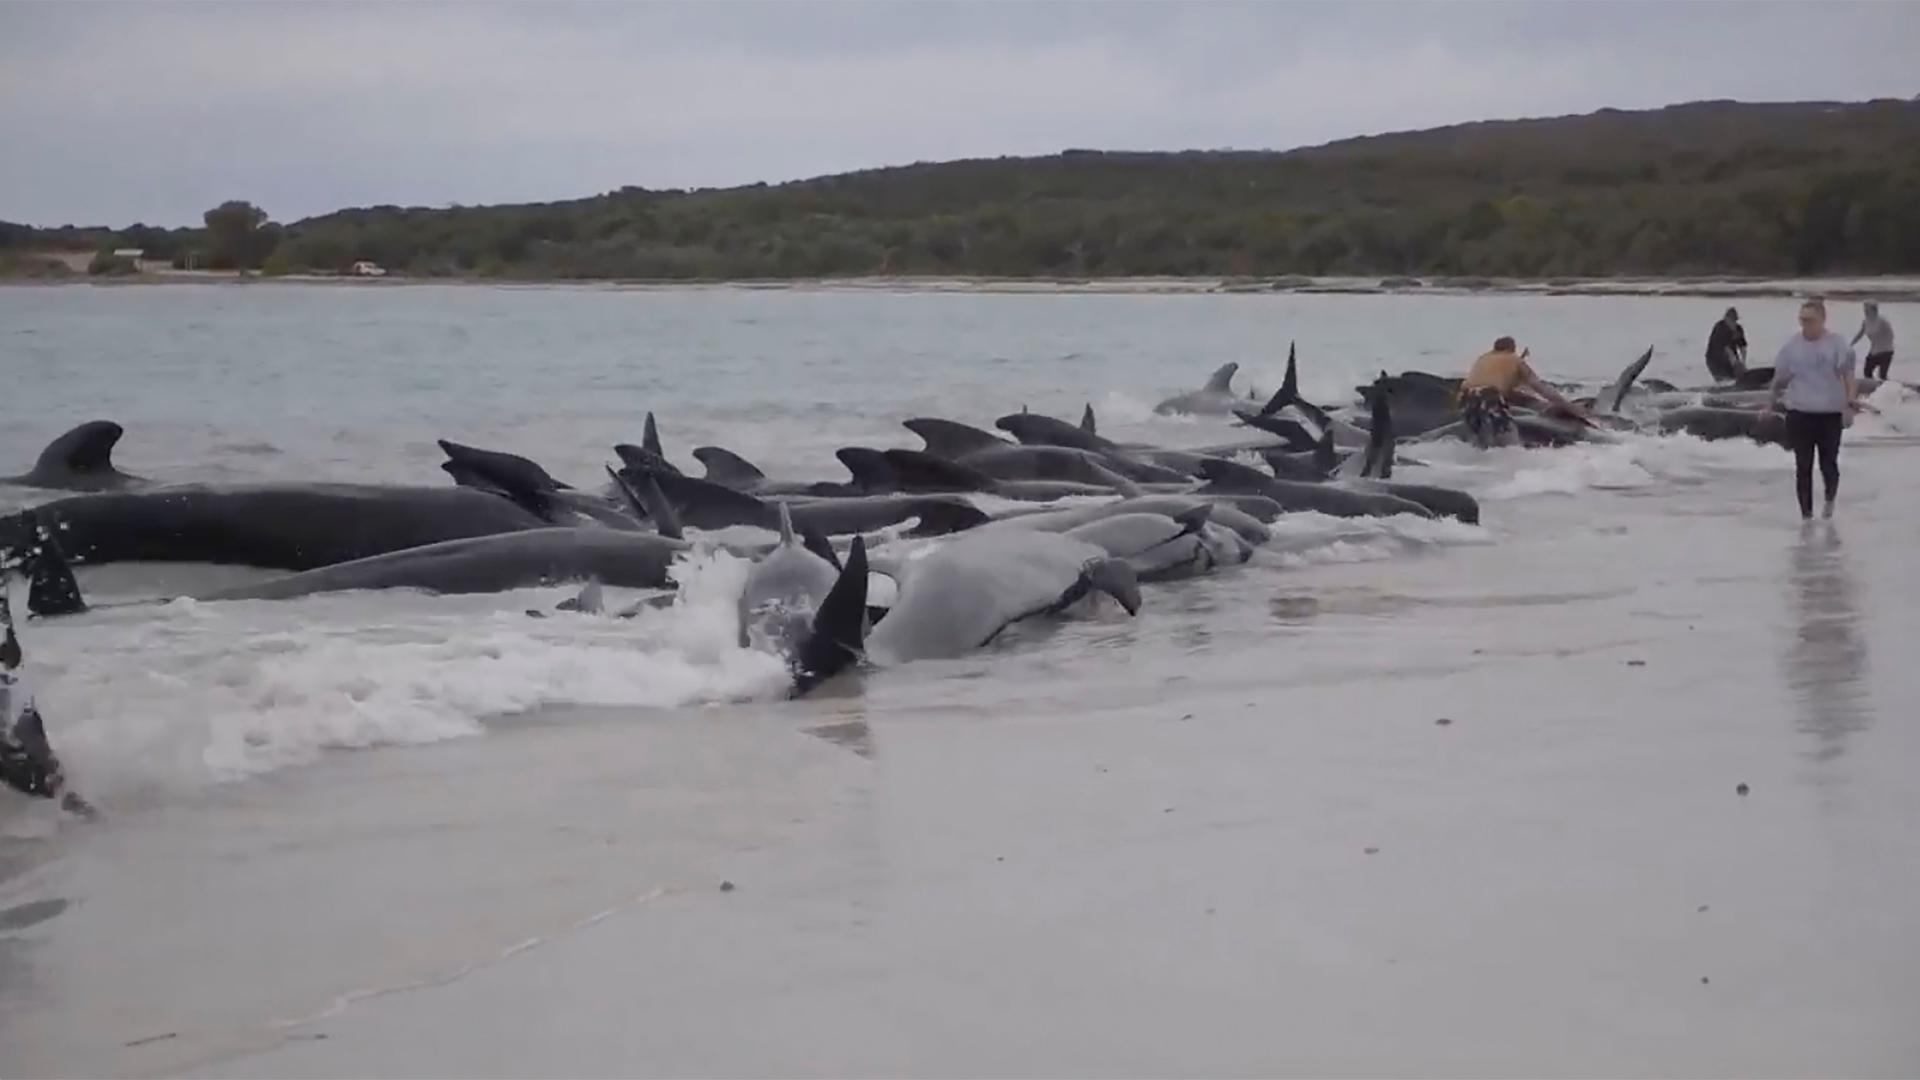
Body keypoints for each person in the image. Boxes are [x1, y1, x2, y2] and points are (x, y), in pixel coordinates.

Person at [1771, 299, 1859, 521]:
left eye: (1810, 320)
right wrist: (1771, 399)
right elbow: (1780, 378)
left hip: (1829, 413)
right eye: (1802, 320)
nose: (1806, 324)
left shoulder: (1837, 344)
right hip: (1800, 412)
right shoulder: (1792, 347)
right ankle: (1806, 517)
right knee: (1803, 466)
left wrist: (1850, 402)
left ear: (1822, 319)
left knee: (1828, 464)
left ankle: (1829, 499)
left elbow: (1849, 376)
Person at [1456, 336, 1588, 448]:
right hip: (1489, 397)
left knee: (1480, 441)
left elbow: (1494, 383)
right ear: (1512, 348)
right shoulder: (1514, 359)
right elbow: (1541, 388)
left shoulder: (1483, 358)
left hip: (1465, 399)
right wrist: (1570, 407)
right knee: (1508, 440)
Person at [1850, 301, 1895, 381]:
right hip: (1874, 351)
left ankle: (1890, 386)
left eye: (1867, 310)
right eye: (1864, 310)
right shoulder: (1866, 321)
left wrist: (1884, 343)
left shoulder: (1882, 321)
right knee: (1867, 372)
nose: (1865, 312)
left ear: (1874, 310)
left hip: (1886, 351)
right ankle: (1873, 386)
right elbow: (1860, 334)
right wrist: (1851, 344)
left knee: (1882, 375)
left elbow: (1891, 335)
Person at [1705, 307, 1748, 382]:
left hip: (1730, 357)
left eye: (1735, 321)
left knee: (1737, 374)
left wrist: (1743, 363)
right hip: (1714, 359)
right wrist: (1735, 363)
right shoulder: (1720, 328)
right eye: (1731, 321)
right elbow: (1726, 349)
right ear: (1726, 319)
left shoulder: (1738, 329)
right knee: (1725, 378)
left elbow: (1743, 347)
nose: (1733, 323)